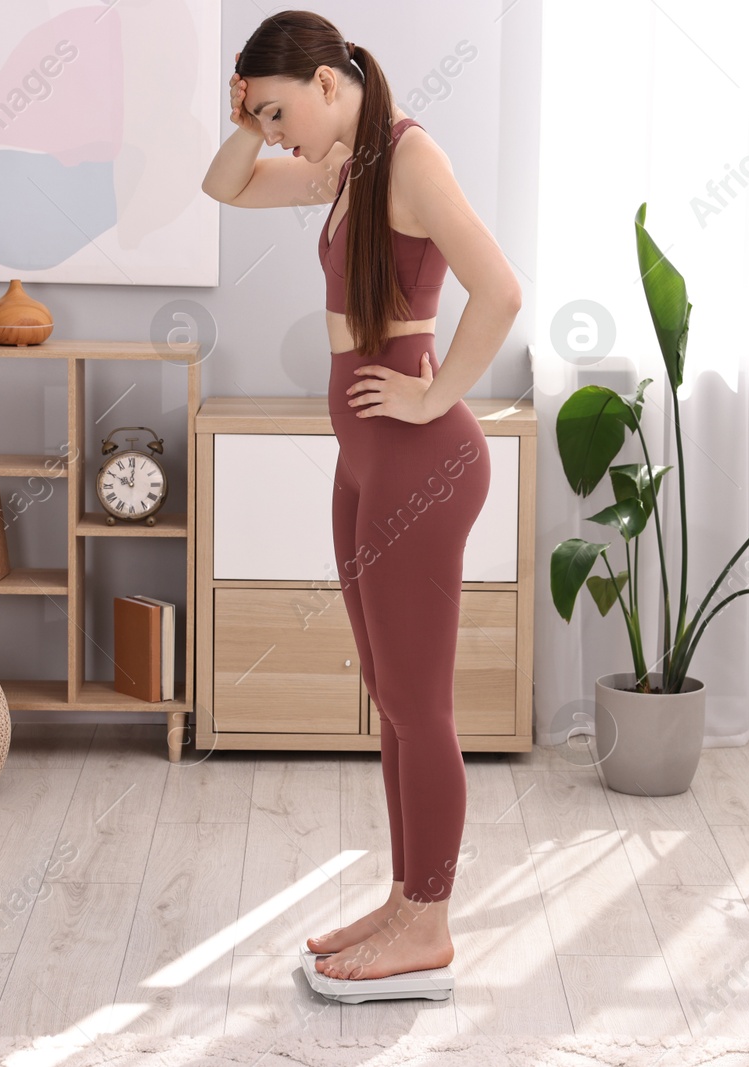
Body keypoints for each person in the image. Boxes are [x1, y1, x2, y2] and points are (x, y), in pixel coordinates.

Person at [200, 10, 521, 982]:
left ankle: (430, 921)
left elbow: (498, 289)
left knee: (418, 705)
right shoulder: (345, 166)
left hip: (420, 461)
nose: (275, 131)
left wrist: (433, 392)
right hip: (367, 458)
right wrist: (249, 124)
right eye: (262, 115)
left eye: (280, 107)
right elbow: (223, 186)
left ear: (328, 82)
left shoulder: (410, 158)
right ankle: (404, 897)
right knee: (388, 696)